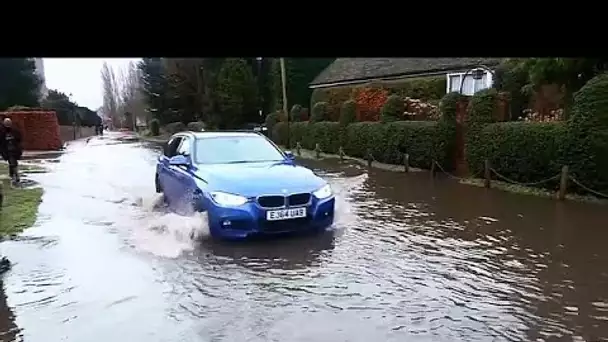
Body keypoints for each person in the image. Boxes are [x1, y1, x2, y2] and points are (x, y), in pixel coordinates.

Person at [0, 118, 23, 184]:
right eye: (6, 123)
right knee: (13, 163)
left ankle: (12, 174)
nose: (8, 124)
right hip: (8, 151)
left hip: (15, 150)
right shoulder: (2, 131)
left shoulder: (15, 131)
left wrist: (19, 148)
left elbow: (19, 139)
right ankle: (16, 175)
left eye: (8, 123)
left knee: (13, 163)